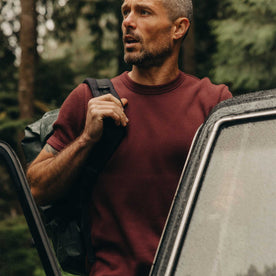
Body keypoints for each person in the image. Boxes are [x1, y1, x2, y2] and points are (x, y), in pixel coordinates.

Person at [27, 0, 232, 275]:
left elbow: (237, 194)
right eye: (126, 11)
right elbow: (37, 189)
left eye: (143, 12)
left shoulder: (213, 103)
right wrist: (87, 139)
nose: (128, 22)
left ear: (178, 28)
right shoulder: (90, 98)